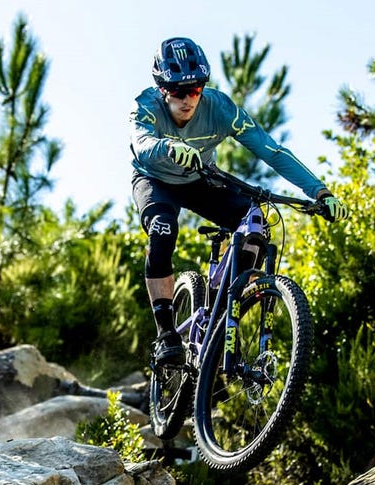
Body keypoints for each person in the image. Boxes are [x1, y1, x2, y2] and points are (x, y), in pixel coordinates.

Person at [129, 36, 349, 367]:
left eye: (195, 89)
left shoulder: (220, 109)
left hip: (200, 177)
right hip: (155, 180)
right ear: (163, 89)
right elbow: (141, 142)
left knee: (256, 222)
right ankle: (167, 336)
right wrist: (167, 147)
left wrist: (319, 191)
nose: (187, 99)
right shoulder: (145, 105)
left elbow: (271, 150)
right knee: (162, 230)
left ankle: (220, 314)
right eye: (178, 91)